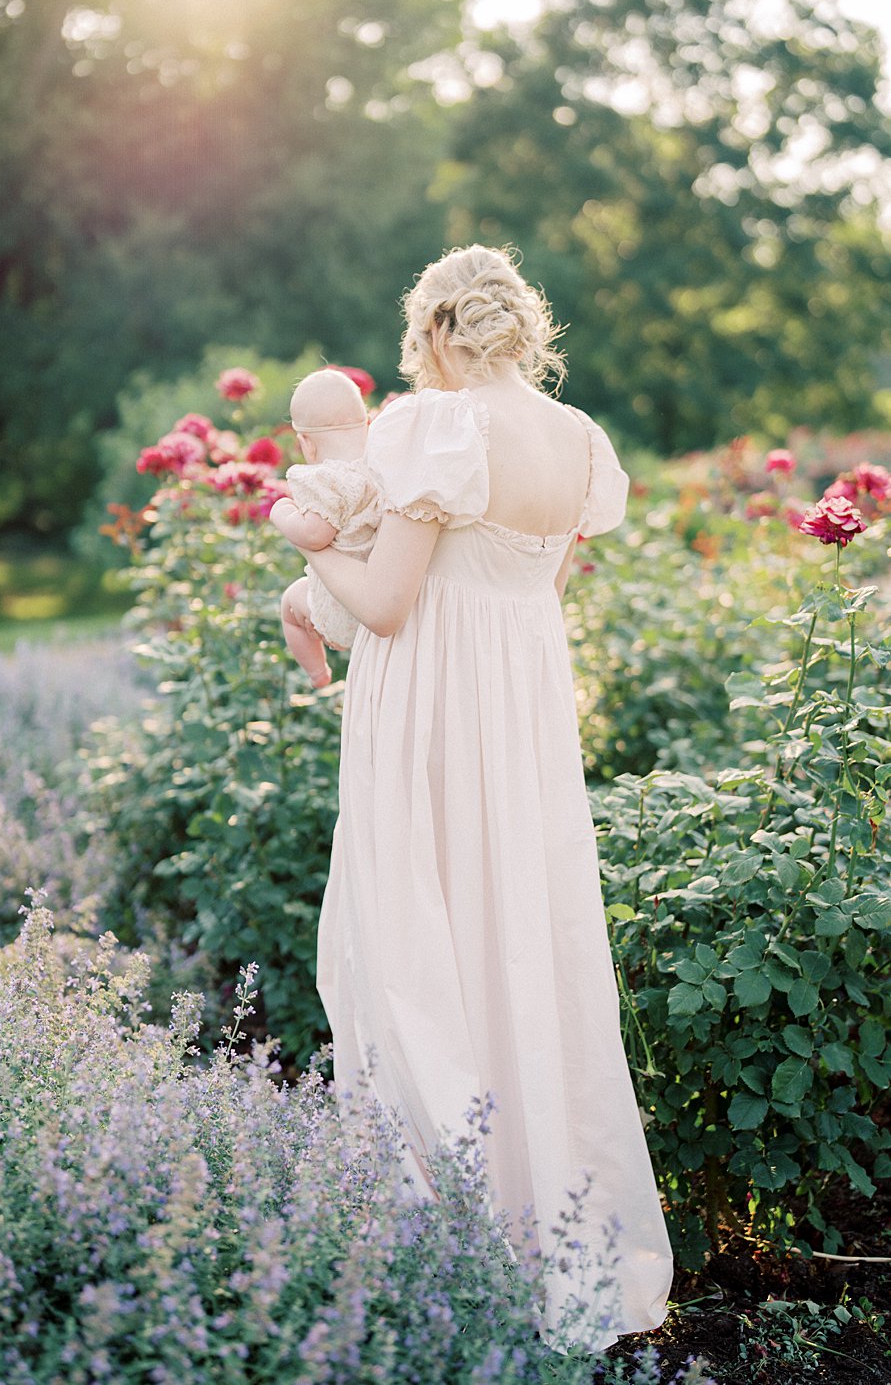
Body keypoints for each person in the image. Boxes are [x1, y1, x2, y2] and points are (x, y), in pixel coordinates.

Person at [275, 244, 673, 1351]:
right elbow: (525, 592)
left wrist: (306, 570)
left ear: (436, 333)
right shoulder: (579, 442)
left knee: (414, 948)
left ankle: (440, 1243)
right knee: (519, 947)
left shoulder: (431, 427)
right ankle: (557, 1236)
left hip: (430, 716)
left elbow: (392, 604)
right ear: (518, 329)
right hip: (521, 723)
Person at [271, 369, 379, 687]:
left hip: (342, 605)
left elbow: (315, 535)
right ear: (368, 425)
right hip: (382, 596)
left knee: (291, 603)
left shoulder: (326, 480)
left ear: (307, 444)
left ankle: (318, 674)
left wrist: (282, 513)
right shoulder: (379, 468)